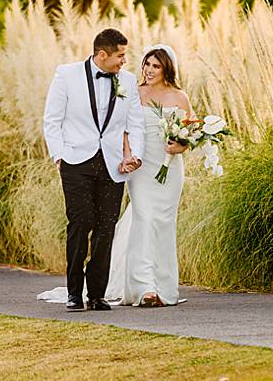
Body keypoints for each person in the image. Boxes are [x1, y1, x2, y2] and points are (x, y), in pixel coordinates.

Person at [39, 29, 144, 311]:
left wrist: (135, 155)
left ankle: (96, 294)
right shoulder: (66, 75)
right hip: (76, 162)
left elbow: (135, 123)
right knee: (80, 222)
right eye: (120, 55)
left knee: (106, 228)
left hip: (113, 164)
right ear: (102, 54)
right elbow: (52, 120)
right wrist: (59, 156)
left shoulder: (128, 81)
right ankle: (74, 292)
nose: (124, 61)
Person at [115, 43, 192, 307]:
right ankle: (144, 287)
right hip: (141, 167)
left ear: (166, 69)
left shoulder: (180, 97)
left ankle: (163, 287)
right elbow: (124, 131)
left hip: (170, 169)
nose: (149, 70)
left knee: (164, 223)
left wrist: (180, 146)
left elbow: (190, 132)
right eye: (147, 64)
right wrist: (128, 157)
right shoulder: (133, 94)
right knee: (144, 219)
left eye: (156, 66)